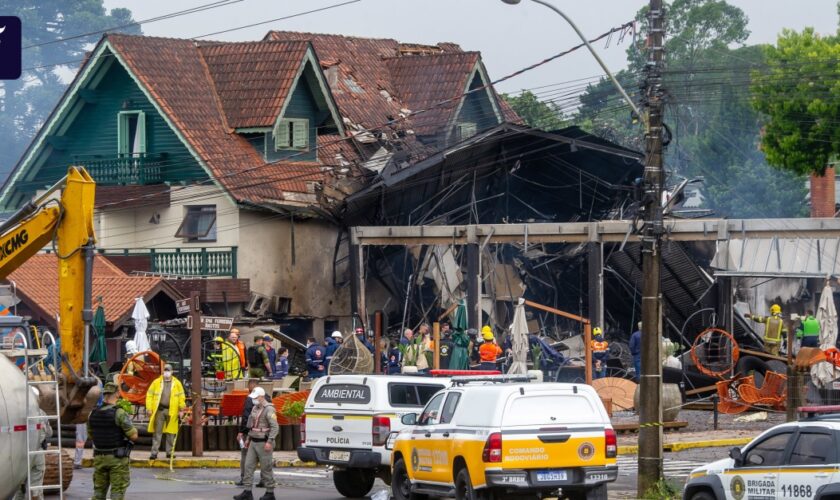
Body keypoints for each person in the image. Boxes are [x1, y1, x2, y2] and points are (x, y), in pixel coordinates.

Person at [89, 382, 138, 500]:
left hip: (99, 458)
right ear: (117, 394)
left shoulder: (93, 413)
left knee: (98, 494)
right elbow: (134, 436)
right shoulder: (119, 413)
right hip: (117, 459)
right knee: (117, 493)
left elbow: (91, 435)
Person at [234, 386, 278, 500]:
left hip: (264, 442)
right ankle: (247, 491)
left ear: (262, 396)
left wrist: (270, 441)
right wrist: (248, 438)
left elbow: (274, 427)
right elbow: (252, 426)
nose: (254, 399)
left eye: (256, 397)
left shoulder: (269, 409)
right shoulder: (255, 408)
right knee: (248, 466)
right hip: (253, 441)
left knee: (266, 468)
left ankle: (270, 492)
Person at [15, 388, 52, 500]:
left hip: (21, 454)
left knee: (19, 487)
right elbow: (49, 433)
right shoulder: (42, 414)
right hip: (37, 453)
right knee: (36, 487)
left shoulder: (18, 414)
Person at [236, 379, 273, 487]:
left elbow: (247, 417)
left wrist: (241, 432)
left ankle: (244, 479)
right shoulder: (268, 399)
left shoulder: (250, 399)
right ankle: (264, 480)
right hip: (266, 435)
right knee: (264, 459)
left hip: (252, 433)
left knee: (246, 456)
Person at [145, 364, 186, 460]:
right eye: (165, 370)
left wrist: (181, 409)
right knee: (157, 432)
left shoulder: (177, 383)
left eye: (168, 370)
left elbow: (181, 396)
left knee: (171, 433)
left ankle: (169, 452)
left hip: (172, 410)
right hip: (160, 410)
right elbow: (149, 396)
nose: (166, 372)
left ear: (172, 372)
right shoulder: (156, 383)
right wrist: (149, 409)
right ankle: (154, 453)